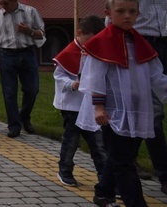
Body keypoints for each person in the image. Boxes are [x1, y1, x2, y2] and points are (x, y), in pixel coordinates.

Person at [77, 0, 167, 207]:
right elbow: (95, 77)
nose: (127, 16)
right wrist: (99, 107)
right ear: (108, 13)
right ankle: (135, 203)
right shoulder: (101, 42)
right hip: (112, 112)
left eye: (132, 11)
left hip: (138, 110)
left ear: (138, 13)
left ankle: (103, 193)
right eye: (120, 11)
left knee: (121, 156)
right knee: (123, 162)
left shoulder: (140, 43)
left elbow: (156, 76)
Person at [112, 0, 167, 197]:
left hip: (163, 44)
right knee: (153, 113)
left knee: (146, 110)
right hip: (136, 44)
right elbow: (113, 15)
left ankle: (123, 160)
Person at [52, 15, 115, 205]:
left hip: (90, 106)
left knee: (98, 143)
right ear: (79, 34)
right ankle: (65, 169)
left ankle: (105, 179)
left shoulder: (96, 52)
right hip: (72, 106)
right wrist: (73, 84)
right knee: (71, 140)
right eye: (90, 39)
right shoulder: (68, 52)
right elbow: (58, 76)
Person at [0, 0, 45, 138]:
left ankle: (24, 116)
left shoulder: (30, 11)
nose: (2, 6)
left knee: (32, 90)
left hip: (27, 53)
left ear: (14, 1)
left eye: (5, 3)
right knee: (9, 92)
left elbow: (42, 33)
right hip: (7, 55)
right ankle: (14, 126)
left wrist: (29, 31)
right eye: (0, 2)